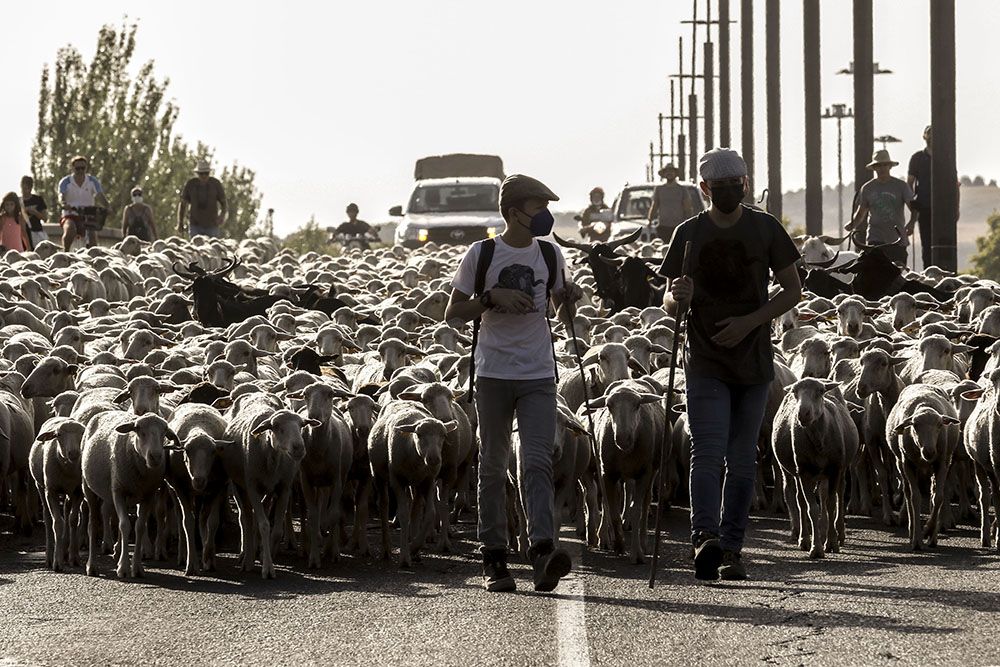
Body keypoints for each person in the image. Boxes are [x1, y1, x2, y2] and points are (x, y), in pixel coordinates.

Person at [659, 148, 801, 581]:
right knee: (707, 450)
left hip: (753, 360)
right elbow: (668, 299)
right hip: (704, 358)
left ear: (744, 184)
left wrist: (750, 322)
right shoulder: (688, 233)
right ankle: (705, 538)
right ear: (705, 189)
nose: (727, 193)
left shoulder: (765, 228)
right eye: (719, 188)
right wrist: (675, 297)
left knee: (742, 458)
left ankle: (733, 548)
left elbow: (792, 290)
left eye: (734, 186)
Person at [444, 174, 583, 593]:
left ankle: (542, 550)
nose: (543, 214)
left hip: (539, 371)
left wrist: (570, 300)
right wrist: (491, 298)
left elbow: (561, 314)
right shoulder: (481, 254)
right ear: (513, 212)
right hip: (492, 372)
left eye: (545, 206)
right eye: (537, 207)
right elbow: (454, 312)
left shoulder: (550, 253)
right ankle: (494, 556)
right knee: (492, 462)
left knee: (538, 460)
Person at [845, 149, 915, 266]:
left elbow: (913, 207)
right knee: (875, 274)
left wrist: (912, 223)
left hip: (897, 239)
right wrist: (852, 224)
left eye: (884, 165)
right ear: (874, 168)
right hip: (875, 238)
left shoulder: (901, 186)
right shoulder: (867, 188)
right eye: (878, 165)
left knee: (898, 275)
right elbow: (861, 213)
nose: (882, 168)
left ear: (889, 166)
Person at [907, 125, 961, 269]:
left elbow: (955, 185)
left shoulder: (946, 157)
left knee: (946, 247)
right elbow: (909, 186)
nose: (932, 137)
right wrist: (912, 210)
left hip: (944, 210)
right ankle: (930, 279)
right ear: (925, 137)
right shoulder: (917, 158)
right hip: (924, 208)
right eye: (929, 134)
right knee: (927, 248)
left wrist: (956, 209)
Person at [58, 155, 109, 251]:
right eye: (77, 168)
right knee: (70, 229)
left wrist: (107, 206)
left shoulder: (92, 181)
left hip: (88, 214)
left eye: (83, 168)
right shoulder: (65, 182)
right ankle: (66, 252)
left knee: (92, 235)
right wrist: (64, 204)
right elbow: (61, 196)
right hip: (71, 213)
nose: (80, 171)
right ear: (72, 168)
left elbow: (100, 195)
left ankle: (93, 256)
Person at [178, 161, 227, 238]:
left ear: (209, 173)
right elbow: (183, 204)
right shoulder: (191, 184)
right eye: (201, 173)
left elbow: (223, 202)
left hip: (212, 225)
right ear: (197, 174)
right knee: (195, 248)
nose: (204, 176)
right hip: (195, 224)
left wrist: (222, 216)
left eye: (206, 173)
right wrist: (180, 223)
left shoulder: (215, 184)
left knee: (213, 248)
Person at [648, 163, 694, 241]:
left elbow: (687, 207)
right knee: (664, 250)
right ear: (664, 174)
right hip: (663, 226)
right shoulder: (659, 189)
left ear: (675, 174)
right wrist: (650, 220)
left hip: (678, 226)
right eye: (667, 171)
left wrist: (689, 223)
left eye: (671, 171)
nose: (669, 173)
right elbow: (654, 206)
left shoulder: (682, 189)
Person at [20, 175, 48, 250]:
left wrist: (34, 212)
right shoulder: (18, 201)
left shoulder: (38, 199)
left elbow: (45, 218)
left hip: (37, 231)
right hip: (23, 234)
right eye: (22, 187)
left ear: (31, 187)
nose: (24, 190)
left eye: (26, 188)